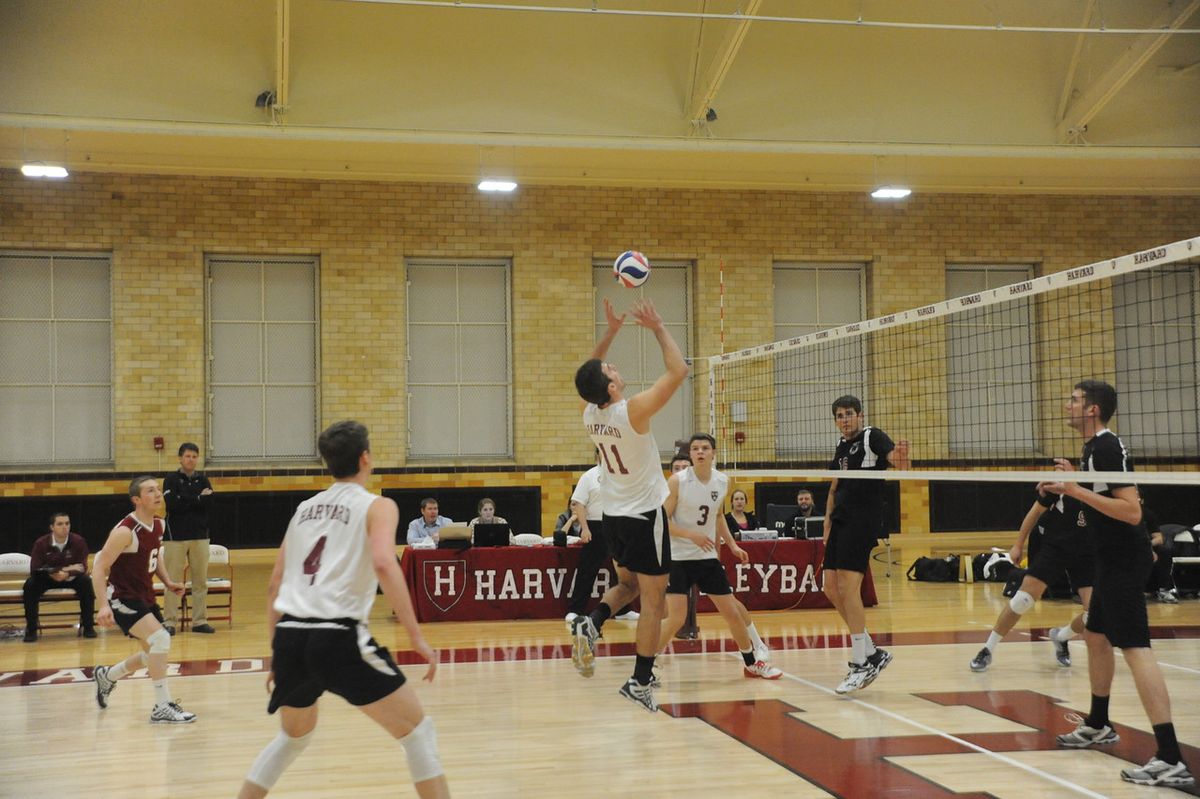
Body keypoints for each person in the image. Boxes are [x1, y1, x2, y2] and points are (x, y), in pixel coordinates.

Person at [236, 421, 447, 799]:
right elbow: (385, 563)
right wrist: (415, 635)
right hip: (336, 637)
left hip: (289, 637)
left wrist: (276, 656)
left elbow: (274, 584)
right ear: (365, 458)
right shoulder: (377, 506)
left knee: (291, 739)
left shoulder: (303, 509)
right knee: (418, 733)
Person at [1045, 380, 1193, 787]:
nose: (1068, 403)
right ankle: (1097, 723)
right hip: (1110, 559)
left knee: (1136, 649)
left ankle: (1170, 757)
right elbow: (1105, 497)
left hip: (1124, 561)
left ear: (1092, 410)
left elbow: (1130, 511)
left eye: (1074, 399)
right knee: (1095, 634)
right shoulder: (1094, 449)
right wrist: (1074, 483)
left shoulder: (1106, 446)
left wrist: (1075, 489)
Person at [570, 297, 688, 712]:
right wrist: (657, 326)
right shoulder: (632, 412)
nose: (614, 367)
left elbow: (588, 374)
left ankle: (592, 621)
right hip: (643, 516)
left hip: (614, 517)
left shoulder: (591, 413)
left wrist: (612, 332)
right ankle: (640, 681)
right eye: (612, 370)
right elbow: (679, 371)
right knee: (653, 602)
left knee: (628, 585)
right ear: (613, 388)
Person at [657, 434, 781, 680]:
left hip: (707, 557)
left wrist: (732, 545)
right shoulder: (677, 482)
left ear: (713, 453)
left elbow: (717, 516)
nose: (700, 452)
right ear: (690, 454)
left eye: (704, 448)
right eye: (695, 449)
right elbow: (661, 520)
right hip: (679, 557)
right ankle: (647, 663)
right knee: (676, 619)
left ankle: (751, 663)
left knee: (731, 612)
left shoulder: (722, 481)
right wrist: (690, 535)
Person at [823, 394, 909, 695]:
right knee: (830, 589)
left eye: (849, 414)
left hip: (862, 522)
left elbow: (899, 464)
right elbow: (835, 485)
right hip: (841, 521)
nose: (844, 420)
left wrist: (901, 456)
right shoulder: (841, 446)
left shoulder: (872, 436)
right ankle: (873, 653)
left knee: (848, 589)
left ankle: (860, 663)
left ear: (860, 415)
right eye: (839, 416)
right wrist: (827, 520)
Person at [91, 476, 196, 724]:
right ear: (137, 500)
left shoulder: (158, 524)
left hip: (144, 596)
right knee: (161, 639)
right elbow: (97, 567)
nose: (158, 494)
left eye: (158, 489)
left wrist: (168, 581)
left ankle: (108, 675)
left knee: (153, 656)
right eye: (150, 491)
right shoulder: (125, 531)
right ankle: (161, 706)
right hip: (122, 598)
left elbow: (154, 556)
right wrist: (103, 606)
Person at [968, 485, 1093, 672]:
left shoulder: (1107, 488)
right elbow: (1034, 513)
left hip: (1084, 554)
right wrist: (1018, 545)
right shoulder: (1061, 486)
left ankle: (1061, 637)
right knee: (1022, 600)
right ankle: (987, 649)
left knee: (1093, 614)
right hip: (1055, 549)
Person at [563, 453, 639, 623]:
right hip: (595, 527)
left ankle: (623, 609)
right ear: (598, 455)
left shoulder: (622, 476)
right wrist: (585, 528)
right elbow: (579, 503)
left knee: (622, 572)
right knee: (587, 571)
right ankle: (575, 609)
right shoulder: (589, 476)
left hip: (618, 526)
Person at [162, 442, 216, 635]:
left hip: (200, 536)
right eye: (188, 456)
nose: (191, 460)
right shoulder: (171, 479)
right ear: (180, 458)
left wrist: (186, 498)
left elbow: (210, 503)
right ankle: (169, 621)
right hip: (175, 537)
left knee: (200, 581)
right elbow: (172, 505)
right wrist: (198, 499)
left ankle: (200, 621)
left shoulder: (203, 480)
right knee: (173, 581)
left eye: (194, 456)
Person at [22, 512, 95, 642]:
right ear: (52, 527)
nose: (64, 527)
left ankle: (89, 627)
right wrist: (59, 571)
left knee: (86, 582)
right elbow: (35, 568)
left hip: (71, 578)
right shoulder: (41, 543)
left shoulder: (78, 541)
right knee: (30, 585)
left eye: (67, 523)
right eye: (60, 524)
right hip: (48, 579)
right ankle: (31, 629)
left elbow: (82, 567)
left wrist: (67, 573)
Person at [1141, 501, 1178, 604]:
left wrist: (1148, 547)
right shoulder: (1119, 512)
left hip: (1146, 545)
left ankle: (1163, 589)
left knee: (1164, 552)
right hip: (1127, 546)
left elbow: (1159, 538)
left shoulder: (1147, 514)